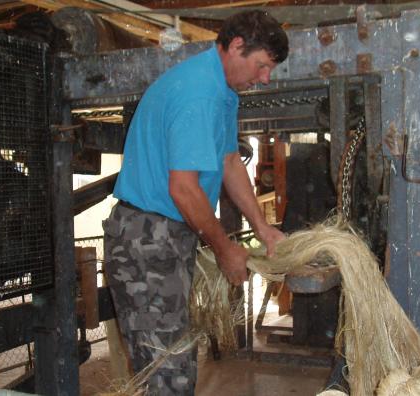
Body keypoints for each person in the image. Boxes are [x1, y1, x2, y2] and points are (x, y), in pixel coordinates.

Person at [103, 10, 289, 395]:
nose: (265, 78)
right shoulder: (198, 92)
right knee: (168, 372)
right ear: (237, 47)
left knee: (172, 362)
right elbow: (183, 189)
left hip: (167, 235)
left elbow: (229, 162)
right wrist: (224, 249)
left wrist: (261, 227)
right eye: (262, 66)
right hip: (148, 238)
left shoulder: (222, 94)